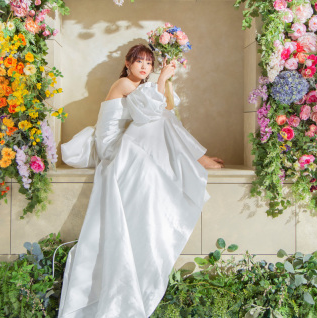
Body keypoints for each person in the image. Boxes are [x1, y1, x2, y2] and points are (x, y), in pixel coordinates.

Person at [58, 44, 223, 317]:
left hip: (127, 142)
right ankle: (198, 159)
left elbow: (164, 106)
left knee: (162, 120)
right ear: (127, 63)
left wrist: (165, 82)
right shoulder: (123, 83)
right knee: (155, 122)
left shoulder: (142, 88)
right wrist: (161, 79)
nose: (144, 67)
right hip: (111, 147)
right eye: (139, 62)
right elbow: (150, 113)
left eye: (149, 62)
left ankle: (196, 159)